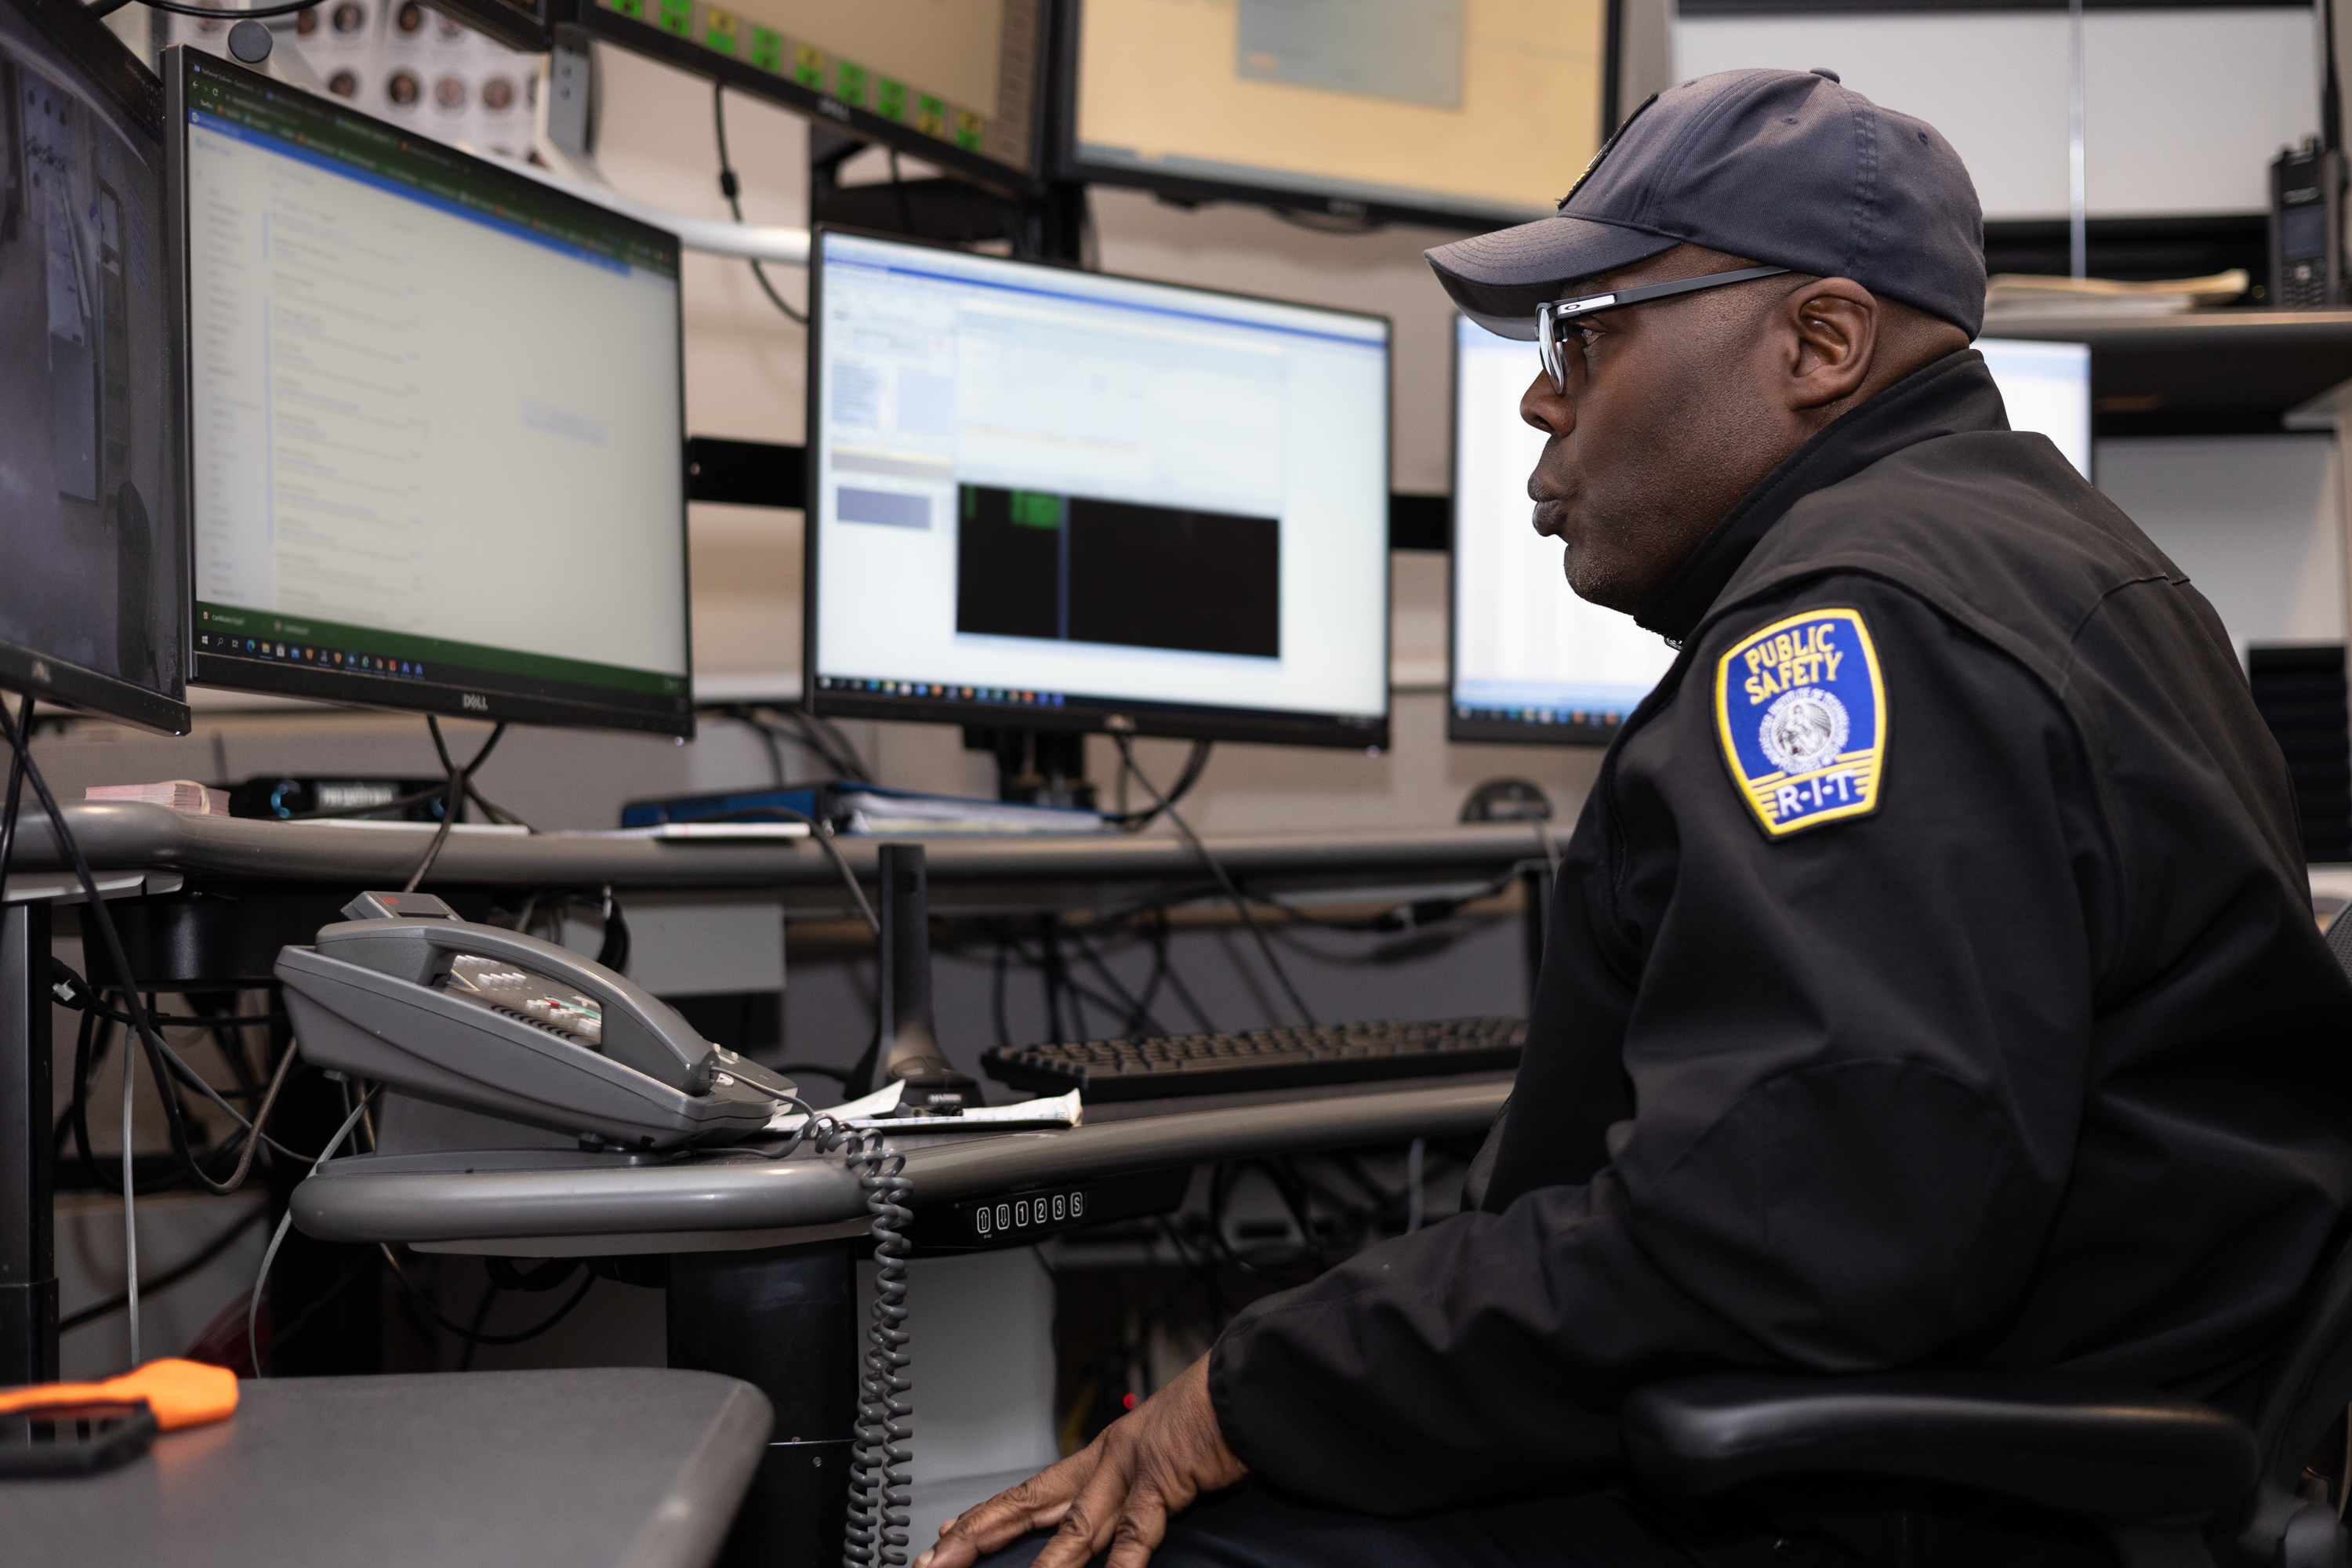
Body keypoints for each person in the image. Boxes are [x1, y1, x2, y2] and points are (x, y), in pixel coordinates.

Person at [920, 68, 2352, 1568]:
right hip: (1994, 1444)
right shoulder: (2048, 567)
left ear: (1821, 342)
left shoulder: (1855, 631)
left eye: (1588, 337)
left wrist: (1241, 1393)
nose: (1542, 396)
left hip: (1879, 1498)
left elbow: (1792, 1231)